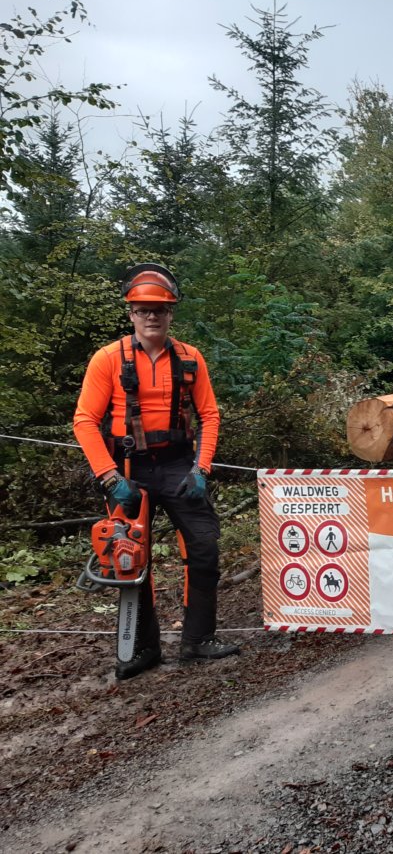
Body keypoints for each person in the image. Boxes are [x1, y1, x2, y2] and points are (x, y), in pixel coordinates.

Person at [73, 263, 240, 680]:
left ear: (171, 314)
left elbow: (209, 415)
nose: (152, 316)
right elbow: (84, 421)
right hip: (127, 468)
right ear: (131, 312)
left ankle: (197, 640)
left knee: (203, 543)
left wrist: (202, 469)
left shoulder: (190, 358)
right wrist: (110, 478)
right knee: (128, 556)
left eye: (160, 309)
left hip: (179, 463)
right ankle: (141, 648)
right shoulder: (108, 359)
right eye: (143, 309)